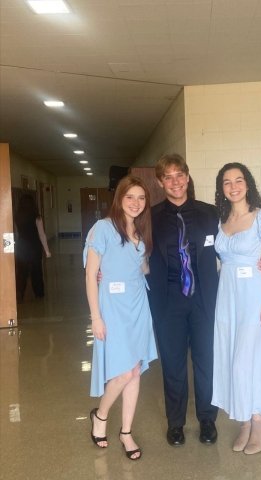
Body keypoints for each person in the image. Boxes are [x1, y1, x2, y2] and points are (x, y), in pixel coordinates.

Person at [148, 154, 261, 447]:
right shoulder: (148, 218)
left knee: (206, 362)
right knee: (174, 365)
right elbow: (131, 249)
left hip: (206, 300)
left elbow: (233, 246)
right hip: (167, 301)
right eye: (168, 177)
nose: (175, 182)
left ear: (187, 178)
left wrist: (259, 261)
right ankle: (175, 424)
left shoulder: (211, 214)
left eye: (180, 175)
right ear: (160, 182)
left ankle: (206, 420)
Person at [83, 175, 157, 461]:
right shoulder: (102, 228)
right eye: (130, 197)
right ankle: (100, 415)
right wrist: (95, 317)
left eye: (141, 198)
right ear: (120, 199)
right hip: (112, 306)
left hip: (138, 304)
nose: (136, 203)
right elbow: (91, 274)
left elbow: (143, 269)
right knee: (123, 371)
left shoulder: (141, 230)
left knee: (135, 369)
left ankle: (126, 431)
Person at [212, 162, 261, 455]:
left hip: (254, 294)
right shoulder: (221, 220)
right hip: (227, 296)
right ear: (222, 189)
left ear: (247, 184)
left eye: (238, 180)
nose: (233, 186)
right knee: (230, 356)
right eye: (227, 182)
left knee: (249, 359)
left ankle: (260, 419)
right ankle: (244, 418)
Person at [14, 193, 51, 302]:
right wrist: (47, 250)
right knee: (37, 271)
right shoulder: (37, 217)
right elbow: (41, 234)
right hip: (34, 247)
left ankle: (19, 293)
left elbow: (15, 233)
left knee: (21, 272)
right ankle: (39, 293)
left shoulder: (16, 217)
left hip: (21, 247)